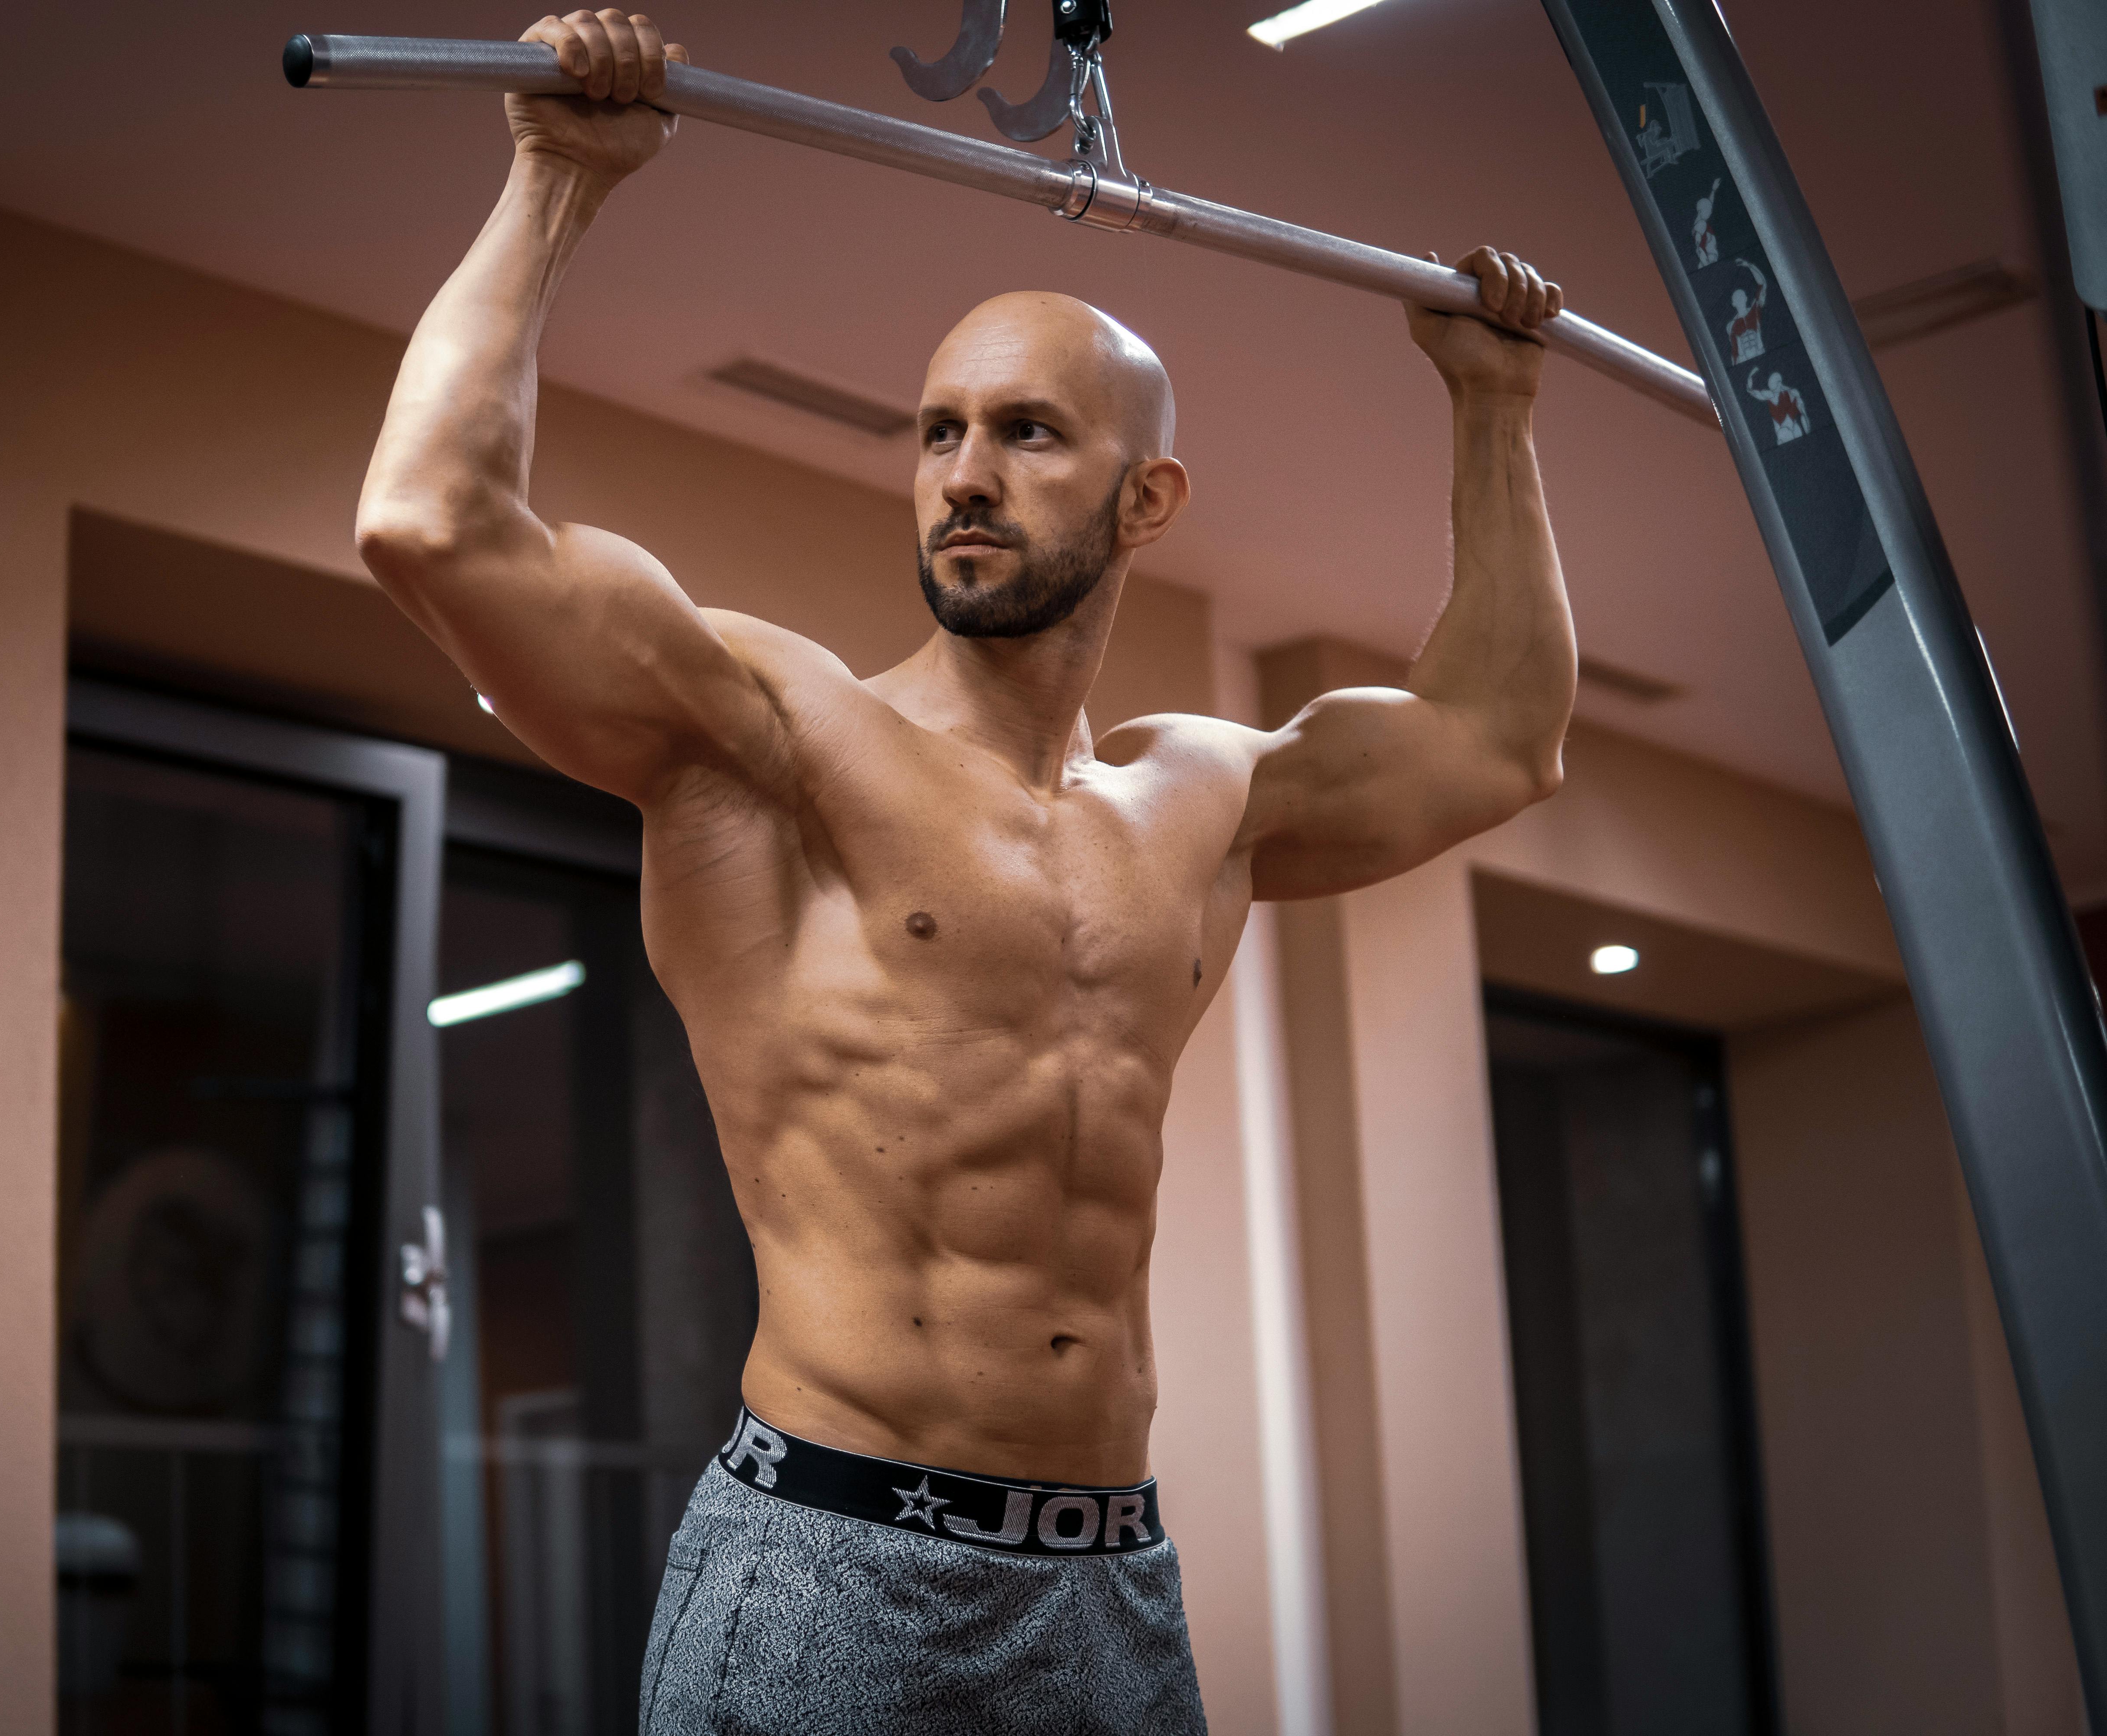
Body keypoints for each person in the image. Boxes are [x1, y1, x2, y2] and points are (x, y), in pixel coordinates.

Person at [353, 12, 1577, 1731]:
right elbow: (429, 522)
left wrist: (1495, 406)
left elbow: (1500, 738)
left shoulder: (1203, 797)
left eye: (1024, 433)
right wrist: (558, 174)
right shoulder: (779, 736)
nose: (964, 481)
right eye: (936, 434)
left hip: (1112, 1579)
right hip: (839, 1558)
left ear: (1147, 500)